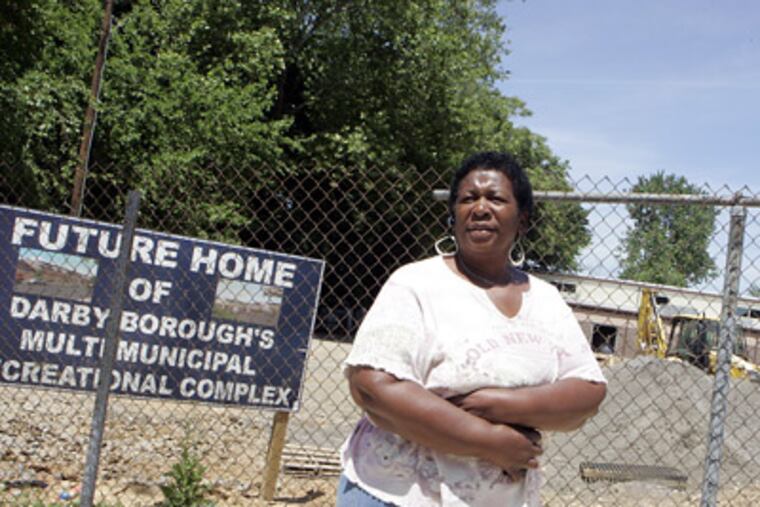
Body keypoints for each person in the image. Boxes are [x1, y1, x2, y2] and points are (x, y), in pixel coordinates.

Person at [338, 151, 607, 506]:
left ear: (522, 220)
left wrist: (497, 404)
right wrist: (489, 441)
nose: (480, 208)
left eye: (495, 198)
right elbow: (372, 386)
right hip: (396, 493)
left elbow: (587, 394)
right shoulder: (416, 283)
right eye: (468, 199)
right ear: (453, 216)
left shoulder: (547, 300)